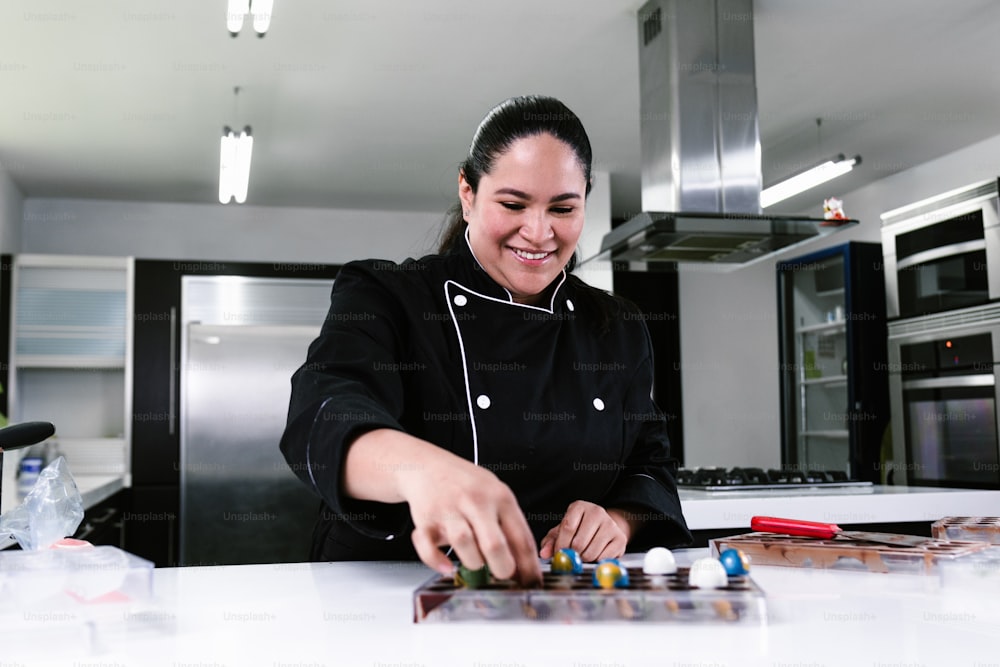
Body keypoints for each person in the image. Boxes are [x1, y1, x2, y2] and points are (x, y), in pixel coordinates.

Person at [280, 95, 691, 586]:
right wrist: (421, 473)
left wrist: (618, 521)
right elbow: (323, 417)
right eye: (513, 204)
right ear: (468, 192)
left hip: (566, 595)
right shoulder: (390, 297)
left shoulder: (615, 325)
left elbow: (650, 462)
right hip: (396, 595)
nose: (539, 233)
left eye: (563, 208)